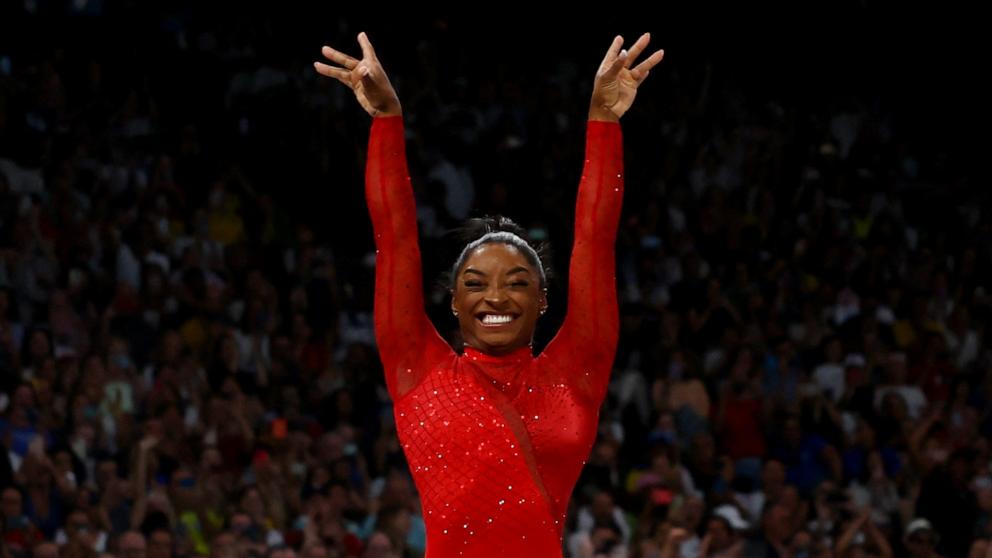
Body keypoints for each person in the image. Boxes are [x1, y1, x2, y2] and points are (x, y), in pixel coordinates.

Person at [315, 30, 663, 557]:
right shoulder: (417, 368)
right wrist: (386, 119)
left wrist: (604, 123)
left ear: (544, 300)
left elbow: (595, 242)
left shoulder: (576, 373)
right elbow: (394, 235)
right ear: (453, 302)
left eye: (517, 283)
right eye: (474, 285)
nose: (495, 298)